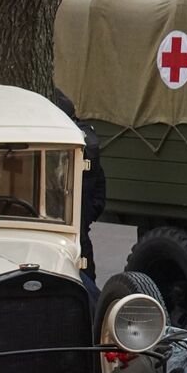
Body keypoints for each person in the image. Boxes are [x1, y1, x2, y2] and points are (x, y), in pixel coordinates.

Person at [51, 89, 106, 283]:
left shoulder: (61, 140)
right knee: (86, 283)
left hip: (61, 224)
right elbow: (100, 186)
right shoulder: (87, 138)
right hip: (80, 224)